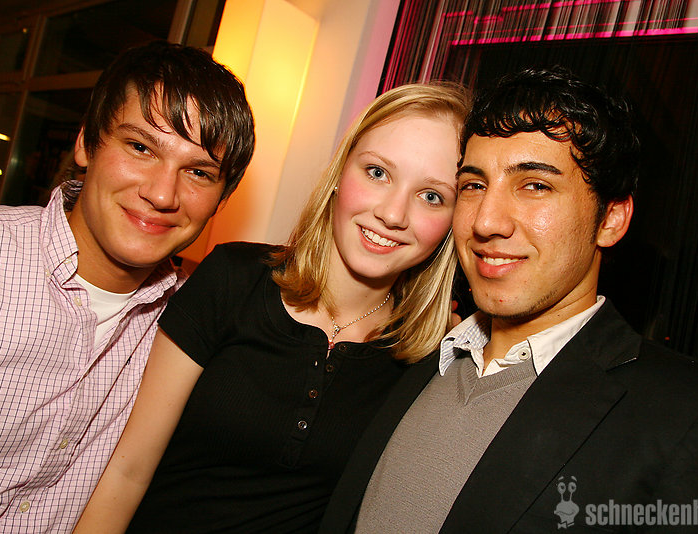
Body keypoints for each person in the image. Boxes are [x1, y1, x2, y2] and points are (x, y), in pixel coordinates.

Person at [319, 67, 698, 533]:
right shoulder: (416, 360)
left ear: (610, 219)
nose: (487, 221)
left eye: (535, 186)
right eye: (474, 186)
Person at [72, 82, 471, 533]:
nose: (393, 214)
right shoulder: (232, 279)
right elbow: (127, 472)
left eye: (432, 196)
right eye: (377, 172)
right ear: (340, 174)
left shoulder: (428, 357)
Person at [0, 41, 254, 533]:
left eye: (199, 172)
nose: (162, 193)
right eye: (141, 148)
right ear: (85, 143)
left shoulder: (195, 318)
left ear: (221, 200)